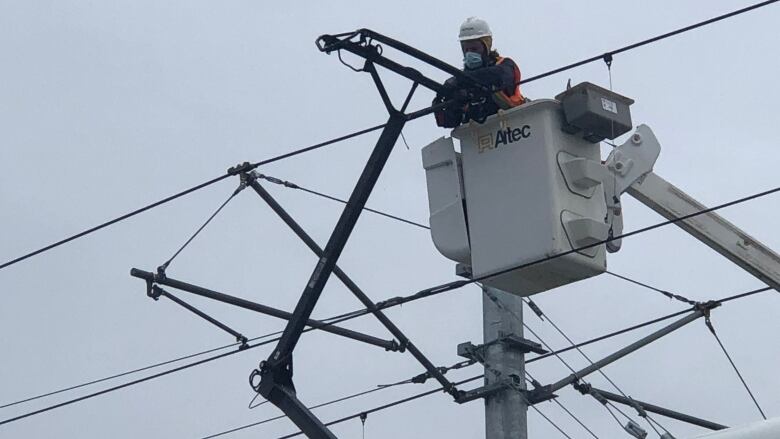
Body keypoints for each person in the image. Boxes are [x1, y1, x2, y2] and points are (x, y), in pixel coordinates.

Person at [434, 17, 526, 128]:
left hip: (512, 129)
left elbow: (496, 76)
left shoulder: (504, 66)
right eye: (466, 49)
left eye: (474, 49)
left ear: (486, 46)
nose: (469, 54)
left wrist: (458, 81)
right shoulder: (460, 84)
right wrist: (441, 102)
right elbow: (449, 122)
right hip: (479, 139)